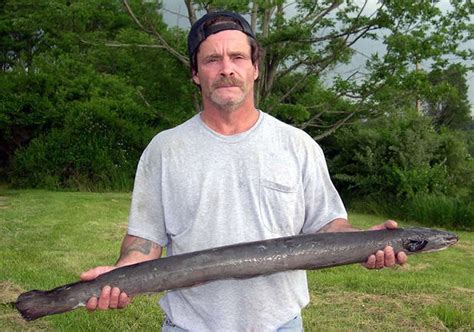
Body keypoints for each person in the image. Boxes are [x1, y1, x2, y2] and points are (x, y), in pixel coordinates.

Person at [80, 11, 407, 331]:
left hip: (280, 324)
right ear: (195, 73)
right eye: (212, 60)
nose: (226, 69)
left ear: (254, 69)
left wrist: (366, 242)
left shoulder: (297, 144)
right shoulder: (164, 150)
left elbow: (327, 225)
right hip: (189, 325)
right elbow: (145, 240)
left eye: (237, 57)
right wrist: (119, 276)